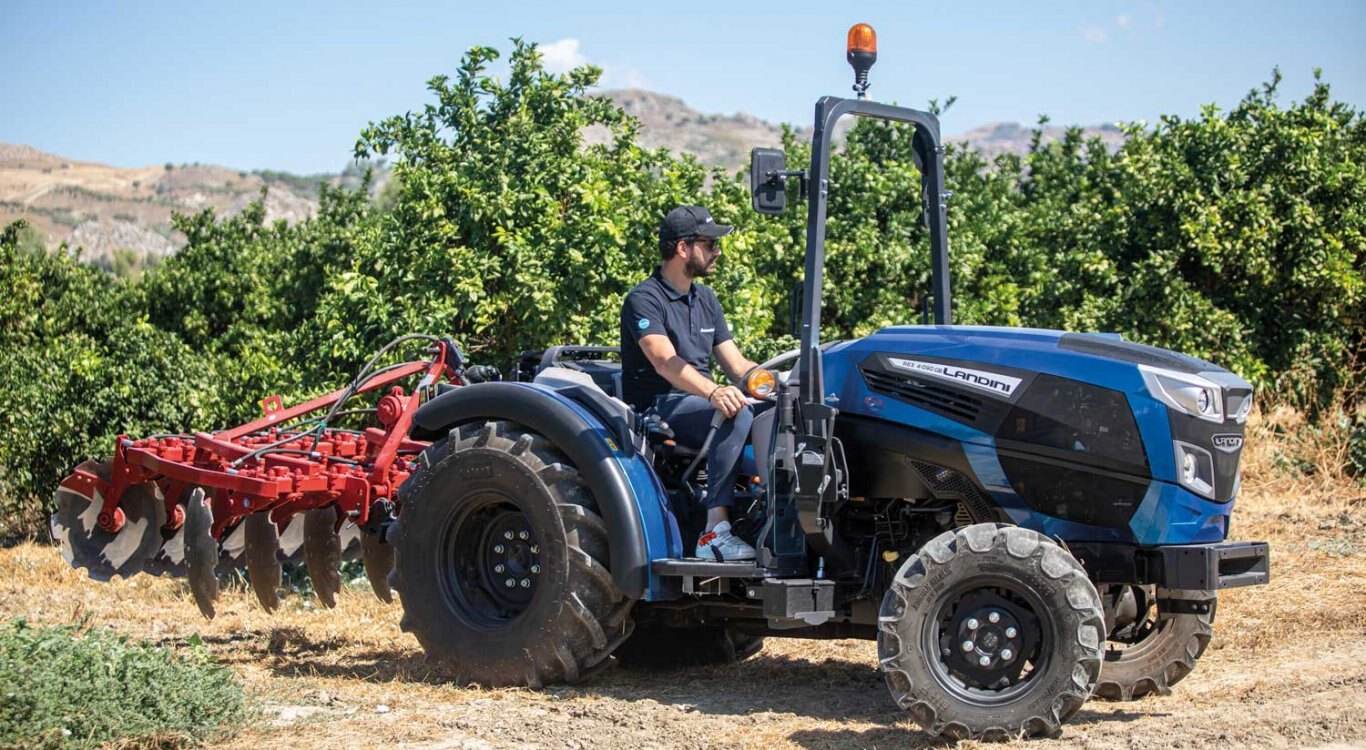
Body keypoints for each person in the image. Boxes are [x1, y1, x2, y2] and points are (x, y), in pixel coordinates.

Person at [620, 205, 762, 562]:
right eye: (710, 244)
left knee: (777, 411)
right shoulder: (644, 299)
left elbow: (737, 365)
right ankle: (714, 533)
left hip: (699, 401)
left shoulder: (706, 299)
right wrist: (714, 392)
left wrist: (776, 382)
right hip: (661, 403)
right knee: (736, 412)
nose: (717, 252)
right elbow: (665, 362)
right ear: (683, 248)